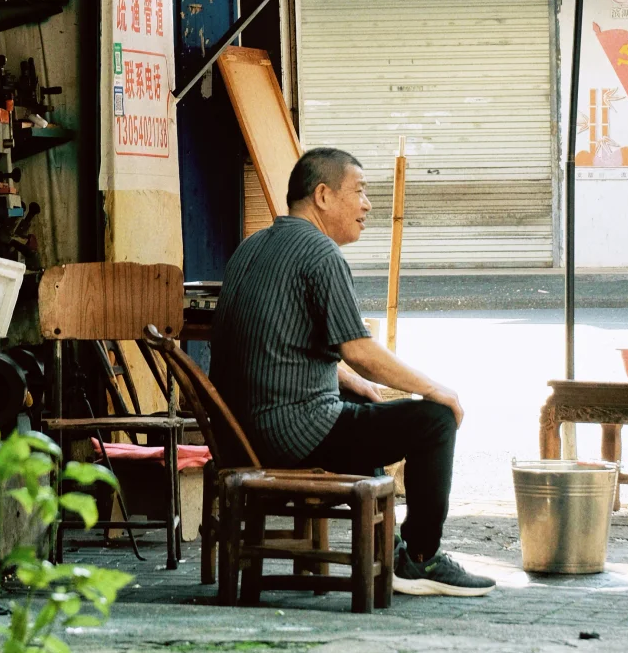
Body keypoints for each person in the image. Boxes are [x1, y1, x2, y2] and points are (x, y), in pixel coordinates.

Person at [208, 146, 495, 597]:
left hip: (242, 433)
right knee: (434, 422)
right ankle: (421, 558)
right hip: (294, 433)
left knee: (364, 399)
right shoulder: (320, 255)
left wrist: (353, 382)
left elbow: (276, 345)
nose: (368, 204)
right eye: (359, 191)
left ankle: (391, 547)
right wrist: (438, 390)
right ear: (322, 195)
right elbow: (359, 349)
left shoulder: (251, 247)